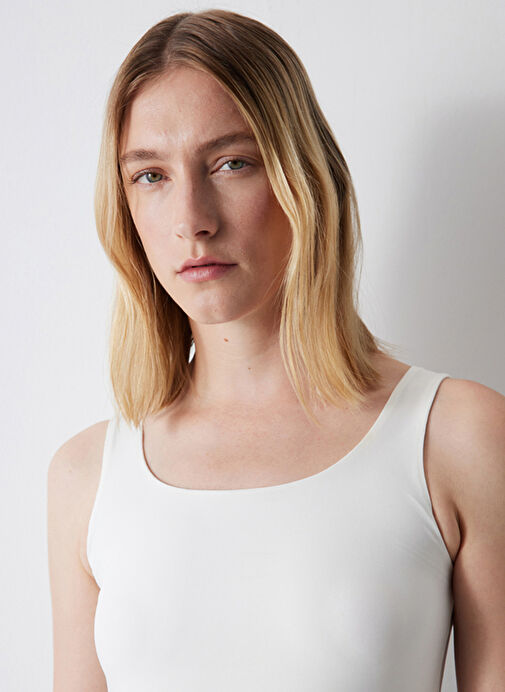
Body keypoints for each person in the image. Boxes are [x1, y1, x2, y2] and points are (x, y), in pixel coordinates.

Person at [46, 9, 505, 692]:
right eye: (150, 175)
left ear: (304, 177)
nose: (192, 220)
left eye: (231, 163)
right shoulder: (86, 477)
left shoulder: (458, 438)